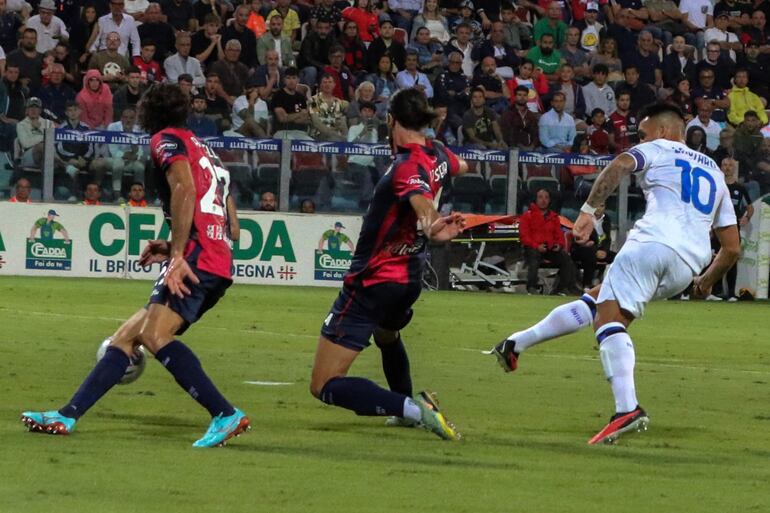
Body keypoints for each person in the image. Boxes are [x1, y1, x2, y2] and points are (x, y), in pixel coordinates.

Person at [488, 103, 740, 445]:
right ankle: (515, 344)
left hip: (651, 244)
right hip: (687, 265)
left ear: (664, 132)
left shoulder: (659, 147)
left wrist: (589, 211)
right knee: (599, 297)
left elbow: (620, 163)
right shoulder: (713, 171)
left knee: (608, 319)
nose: (640, 139)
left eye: (644, 134)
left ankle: (627, 409)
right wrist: (706, 281)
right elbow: (732, 247)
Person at [20, 83, 250, 448]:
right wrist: (174, 243)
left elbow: (186, 191)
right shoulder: (203, 147)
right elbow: (225, 213)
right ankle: (67, 415)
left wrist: (177, 254)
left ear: (148, 112)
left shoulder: (164, 140)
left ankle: (224, 413)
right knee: (126, 337)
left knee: (155, 336)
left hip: (195, 258)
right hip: (210, 253)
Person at [309, 88, 468, 440]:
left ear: (391, 120)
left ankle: (414, 409)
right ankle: (405, 406)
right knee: (386, 333)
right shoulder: (437, 152)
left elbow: (422, 206)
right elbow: (462, 165)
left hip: (373, 281)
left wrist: (433, 225)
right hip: (409, 278)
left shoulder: (406, 166)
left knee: (323, 384)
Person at [519, 188, 579, 295]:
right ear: (535, 199)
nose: (543, 200)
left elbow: (559, 235)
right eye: (540, 197)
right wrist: (537, 246)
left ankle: (561, 288)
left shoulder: (554, 217)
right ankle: (531, 286)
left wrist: (559, 245)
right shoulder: (527, 216)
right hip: (533, 247)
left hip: (550, 248)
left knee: (566, 259)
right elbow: (524, 236)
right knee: (534, 257)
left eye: (546, 197)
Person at [717, 157, 752, 300]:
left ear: (734, 168)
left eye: (730, 165)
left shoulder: (740, 188)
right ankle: (714, 292)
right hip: (716, 228)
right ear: (720, 167)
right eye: (724, 165)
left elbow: (750, 208)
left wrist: (746, 217)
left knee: (731, 259)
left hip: (732, 228)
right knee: (715, 260)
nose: (727, 168)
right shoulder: (717, 186)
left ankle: (731, 293)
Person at [501, 85, 539, 150]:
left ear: (527, 97)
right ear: (515, 97)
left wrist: (532, 146)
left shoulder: (531, 115)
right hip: (513, 147)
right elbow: (507, 134)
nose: (522, 97)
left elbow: (535, 134)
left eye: (525, 95)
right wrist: (519, 146)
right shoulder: (508, 114)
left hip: (529, 147)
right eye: (519, 95)